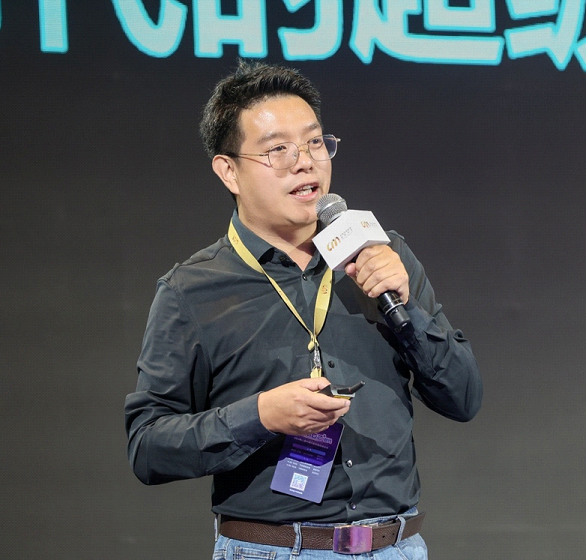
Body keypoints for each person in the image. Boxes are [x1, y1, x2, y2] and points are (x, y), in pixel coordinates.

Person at [124, 60, 483, 559]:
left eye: (315, 143)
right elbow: (148, 447)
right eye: (278, 150)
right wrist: (260, 416)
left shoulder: (379, 254)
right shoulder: (192, 290)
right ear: (229, 170)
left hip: (396, 546)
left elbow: (463, 397)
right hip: (273, 550)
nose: (305, 163)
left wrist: (406, 310)